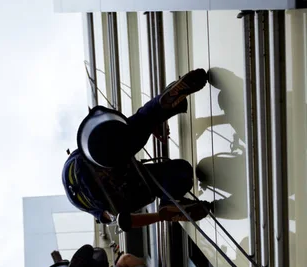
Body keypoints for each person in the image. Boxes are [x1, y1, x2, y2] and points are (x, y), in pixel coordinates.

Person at [62, 68, 213, 232]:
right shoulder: (74, 161)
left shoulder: (91, 208)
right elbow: (121, 132)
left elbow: (121, 220)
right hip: (96, 155)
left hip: (123, 191)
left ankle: (169, 202)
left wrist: (160, 216)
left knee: (180, 171)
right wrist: (151, 122)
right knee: (143, 120)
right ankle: (163, 106)